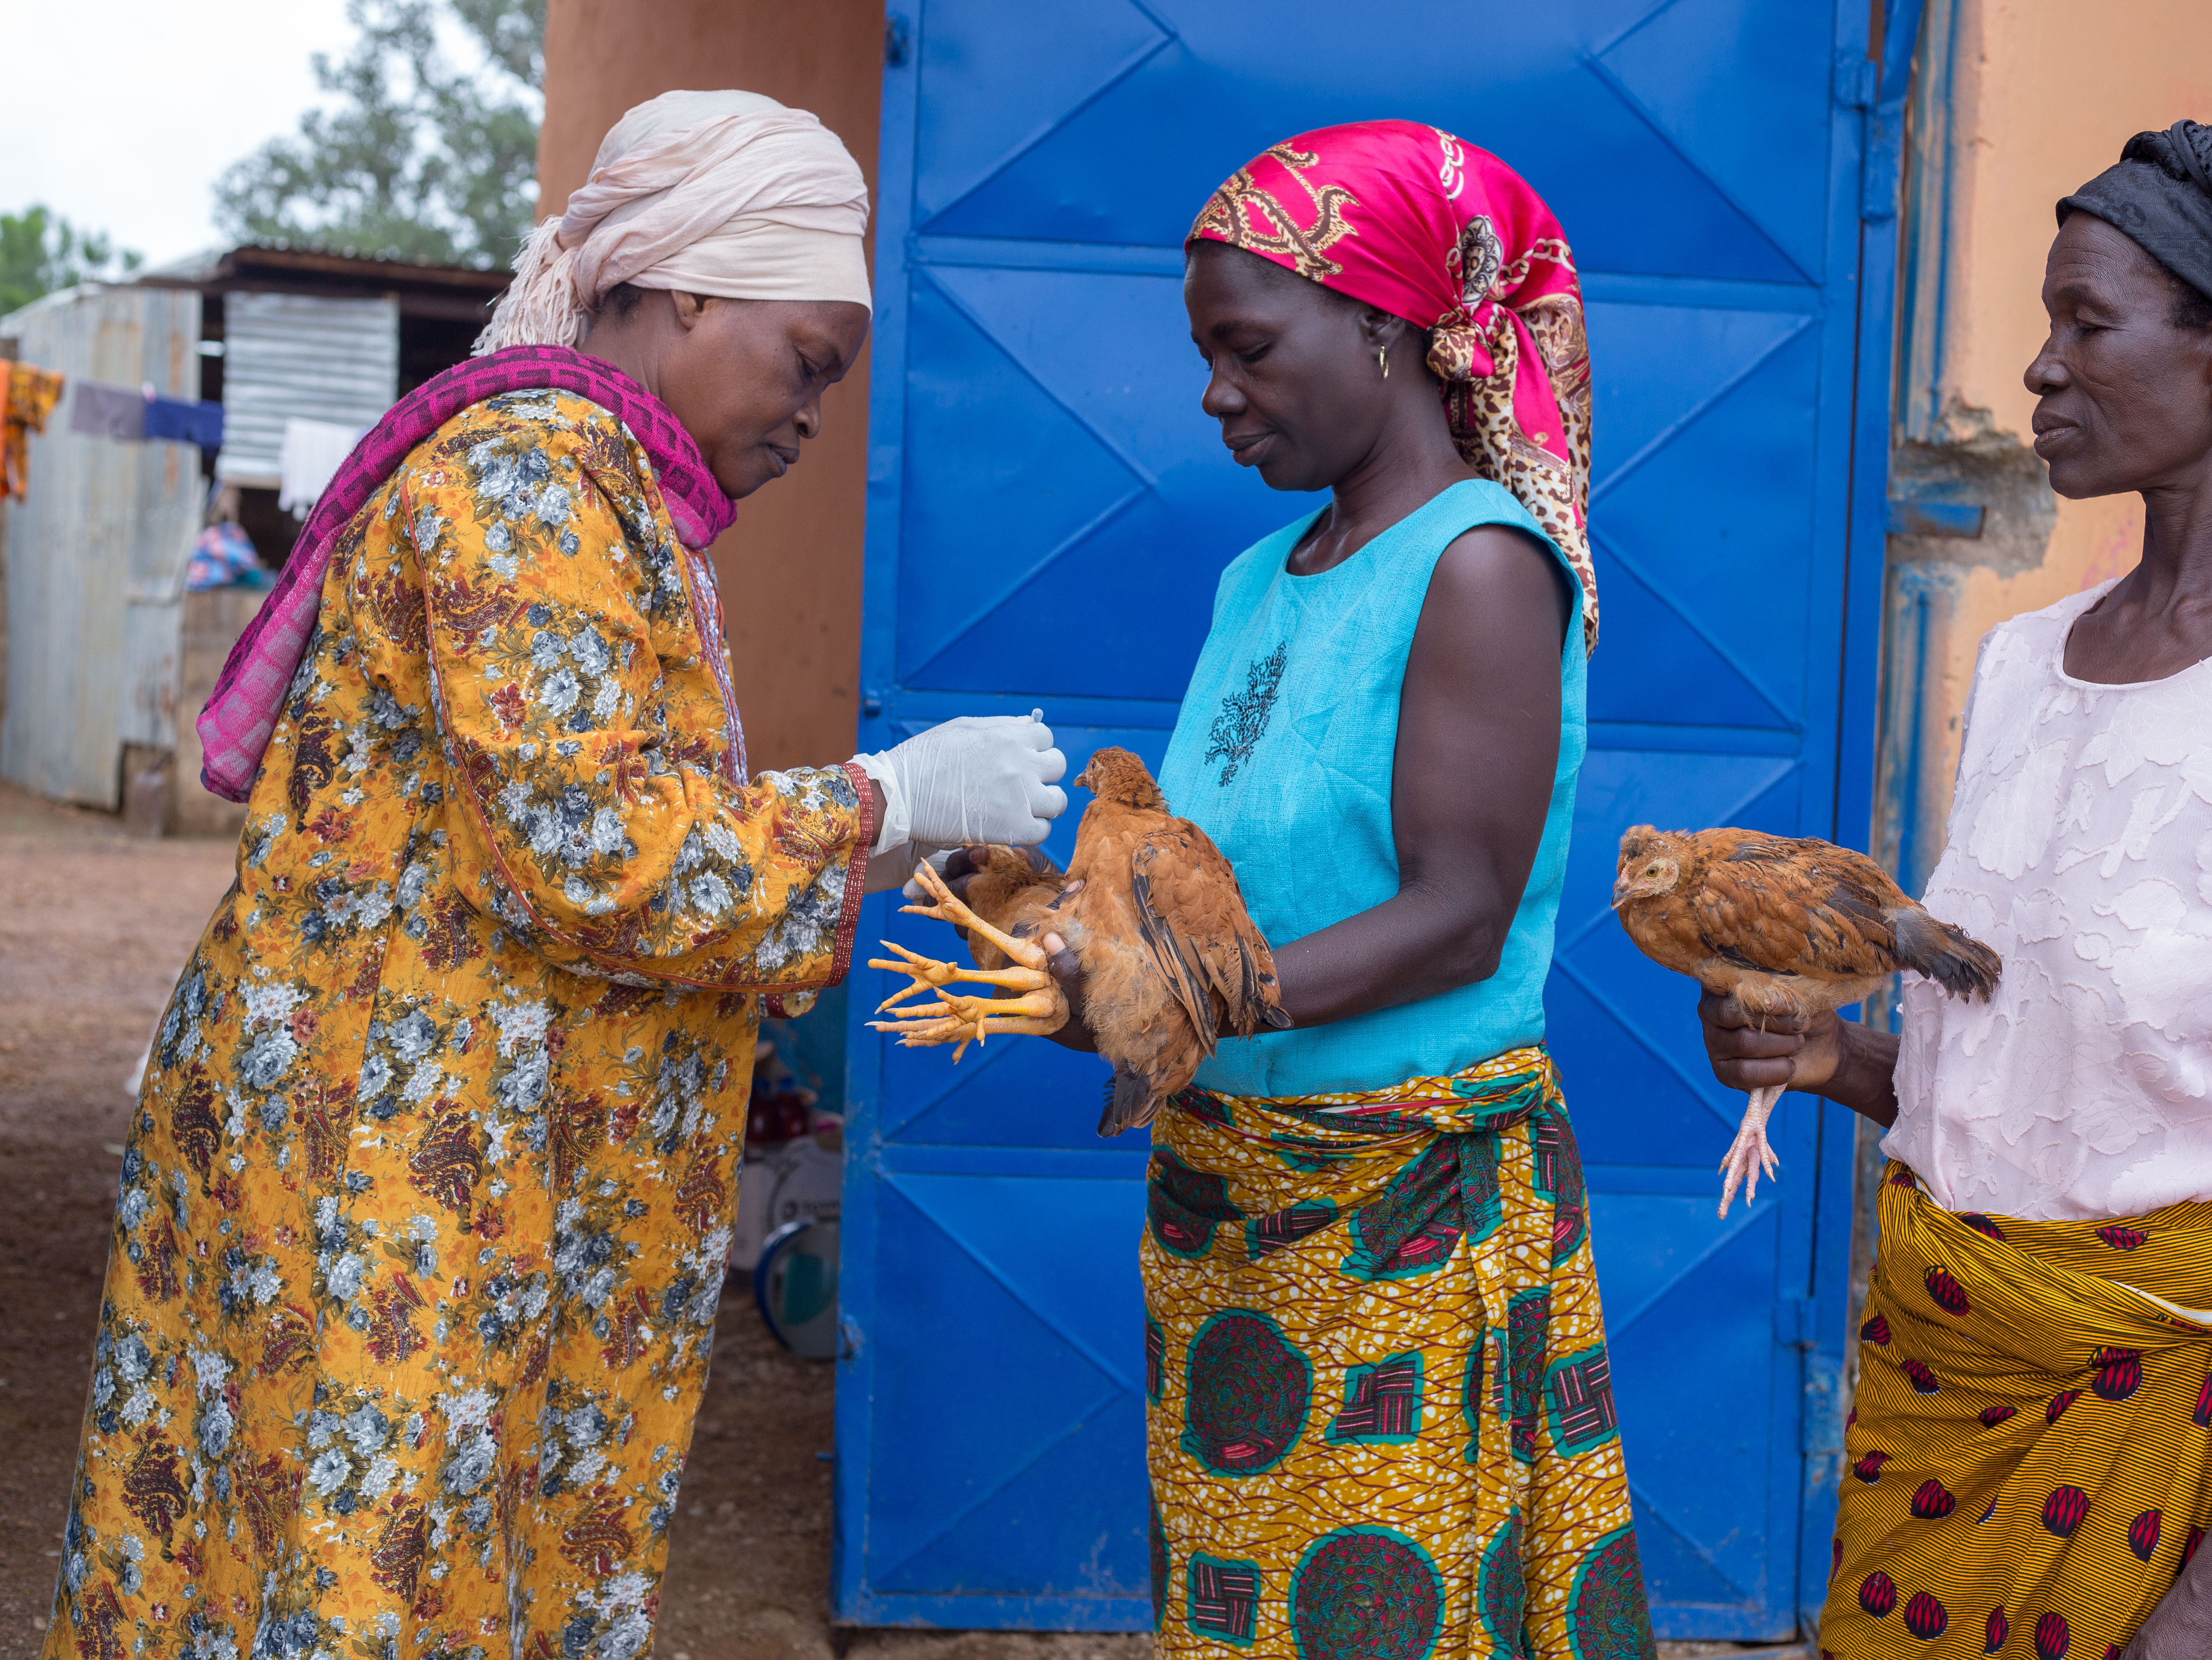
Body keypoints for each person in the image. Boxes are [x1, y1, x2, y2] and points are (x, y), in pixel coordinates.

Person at [46, 90, 1066, 1657]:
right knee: (369, 1574)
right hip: (394, 1171)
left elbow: (599, 829)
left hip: (467, 1162)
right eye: (806, 364)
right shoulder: (530, 485)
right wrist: (881, 799)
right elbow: (597, 850)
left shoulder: (614, 499)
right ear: (689, 285)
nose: (812, 416)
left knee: (432, 1557)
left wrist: (884, 832)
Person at [1699, 109, 2212, 1660]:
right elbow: (2036, 1062)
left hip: (2155, 1424)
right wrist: (1842, 1064)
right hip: (1933, 1390)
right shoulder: (2021, 666)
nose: (2040, 368)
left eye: (2086, 322)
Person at [1032, 119, 1655, 1660]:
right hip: (1233, 1207)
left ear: (1383, 320)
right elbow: (1211, 889)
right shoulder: (1260, 580)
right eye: (1206, 354)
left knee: (1397, 1615)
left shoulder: (1483, 564)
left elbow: (1460, 910)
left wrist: (1181, 1004)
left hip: (1405, 1224)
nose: (1214, 392)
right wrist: (1080, 962)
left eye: (1247, 347)